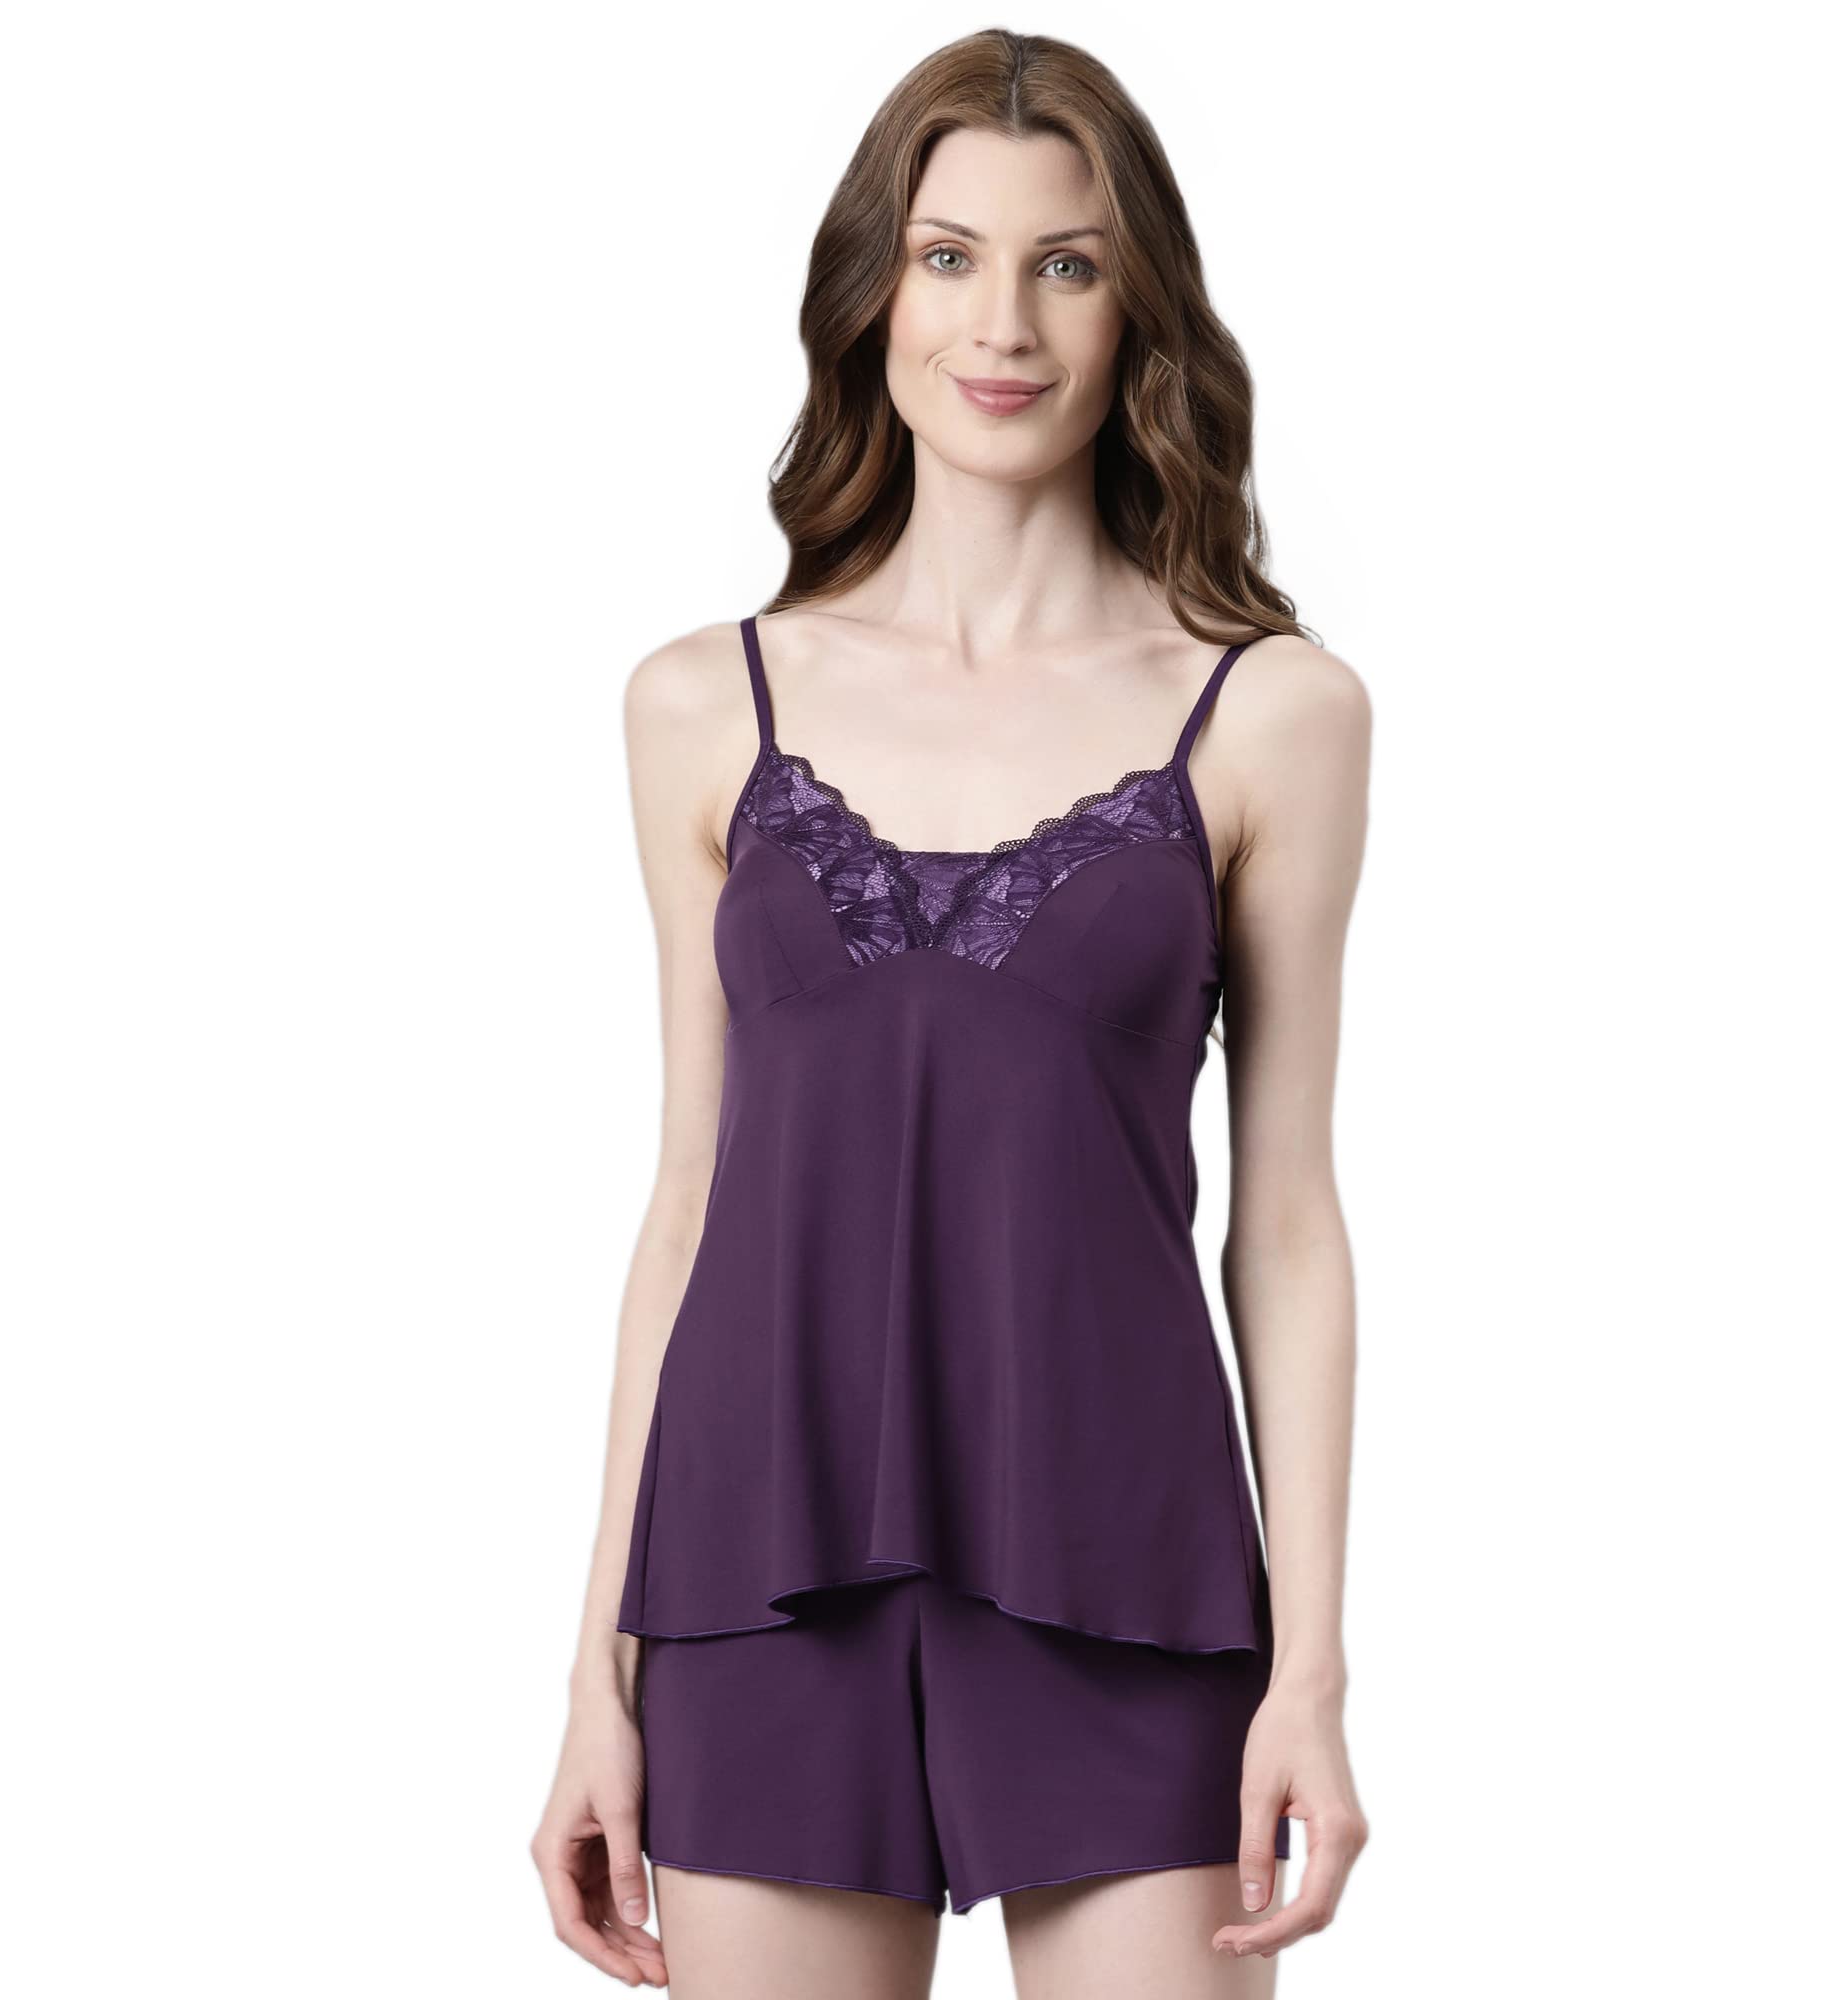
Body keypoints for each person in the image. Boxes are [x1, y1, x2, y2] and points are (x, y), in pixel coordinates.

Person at [532, 29, 1372, 1997]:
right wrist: (593, 1675)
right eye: (949, 257)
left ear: (1137, 309)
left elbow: (1289, 1222)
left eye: (1068, 265)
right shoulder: (700, 705)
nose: (1004, 323)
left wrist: (1313, 1675)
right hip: (758, 1575)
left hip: (1130, 1571)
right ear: (874, 292)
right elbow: (688, 1203)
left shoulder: (1271, 713)